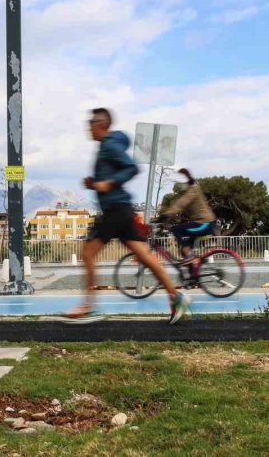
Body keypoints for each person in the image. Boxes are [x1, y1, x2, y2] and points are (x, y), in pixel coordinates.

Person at [67, 108, 192, 324]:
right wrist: (95, 184)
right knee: (145, 256)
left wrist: (107, 184)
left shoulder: (108, 145)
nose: (88, 126)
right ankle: (176, 296)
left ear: (101, 124)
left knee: (87, 254)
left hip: (115, 210)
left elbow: (132, 168)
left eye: (91, 122)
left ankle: (89, 306)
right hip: (121, 210)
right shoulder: (106, 146)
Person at [158, 168, 216, 275]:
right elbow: (176, 206)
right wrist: (163, 222)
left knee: (177, 229)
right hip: (201, 223)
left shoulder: (192, 190)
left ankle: (191, 258)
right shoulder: (187, 191)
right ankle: (192, 279)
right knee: (185, 252)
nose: (177, 184)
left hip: (204, 223)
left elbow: (180, 205)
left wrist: (165, 215)